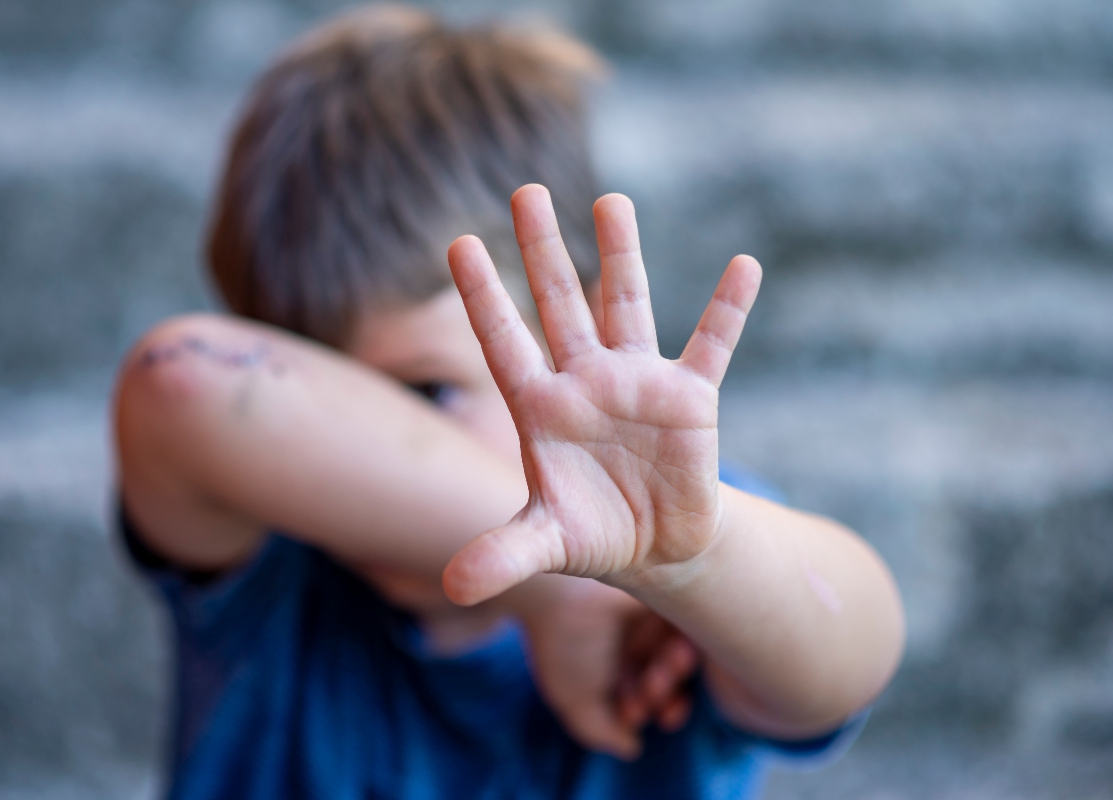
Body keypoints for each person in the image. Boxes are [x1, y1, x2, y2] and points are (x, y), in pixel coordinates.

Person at [113, 6, 905, 798]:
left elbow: (857, 649)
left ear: (578, 331)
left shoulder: (669, 549)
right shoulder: (273, 572)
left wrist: (684, 563)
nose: (374, 442)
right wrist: (557, 588)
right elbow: (182, 382)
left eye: (425, 392)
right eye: (330, 402)